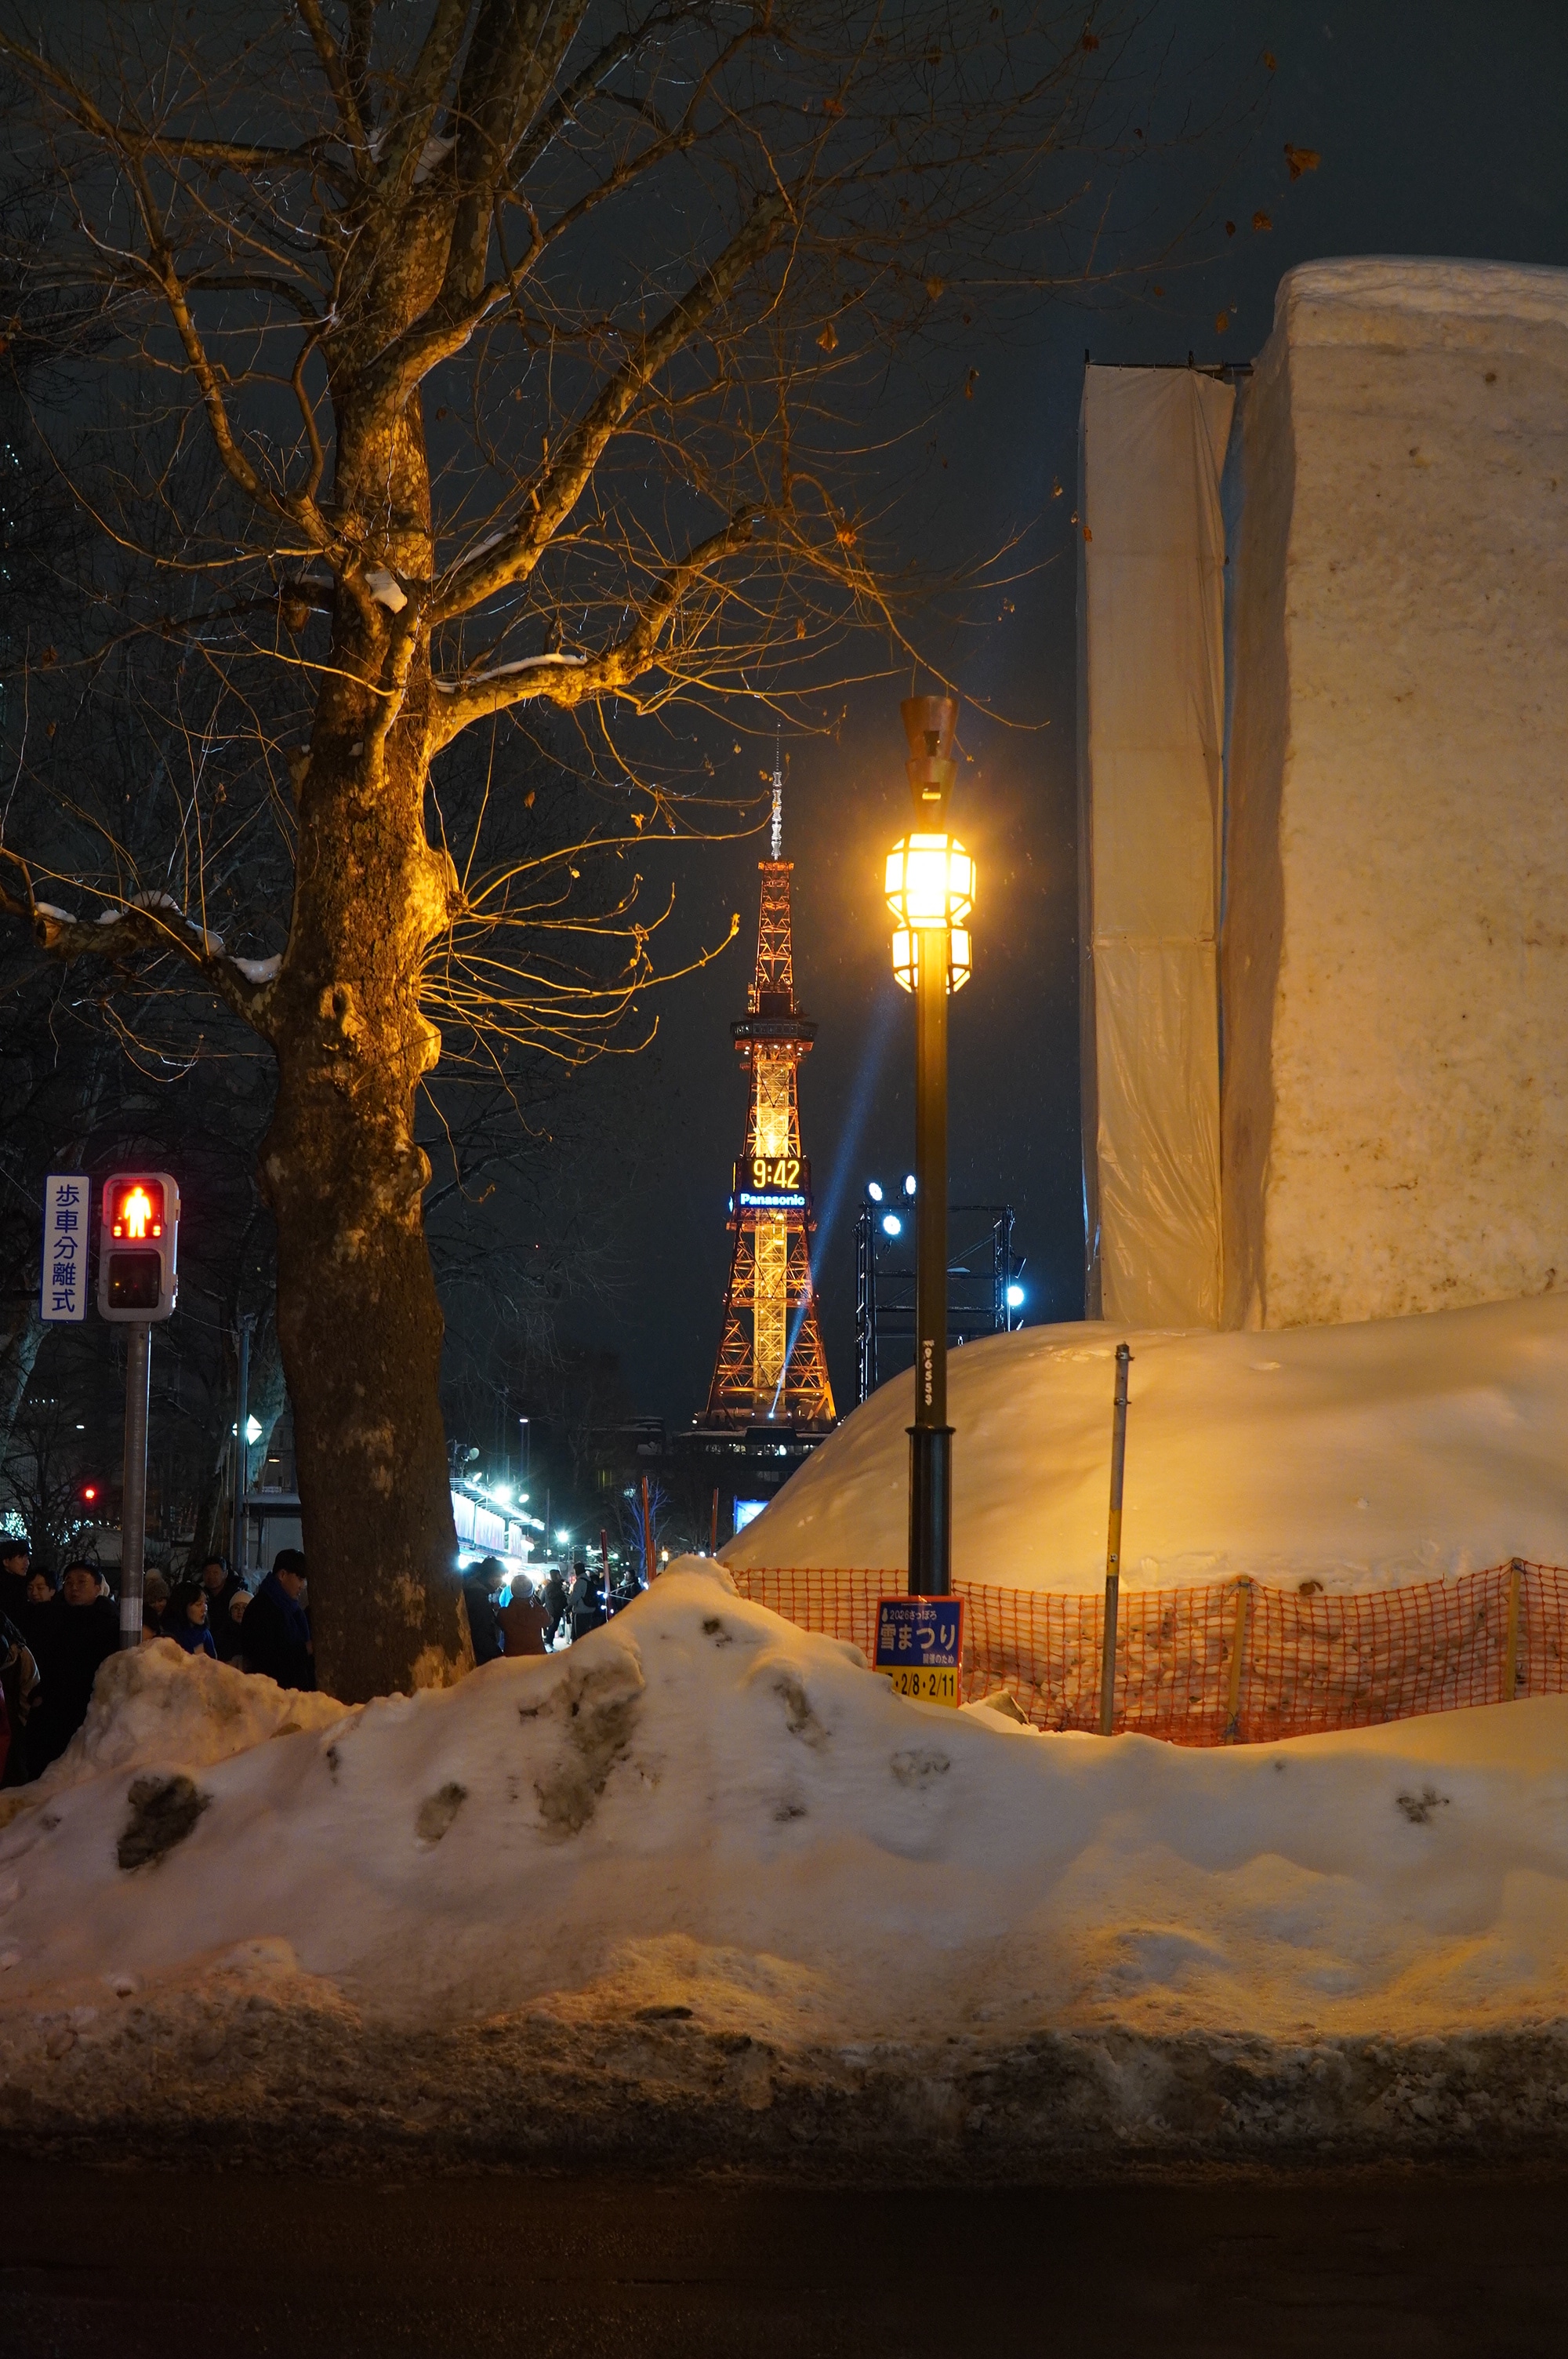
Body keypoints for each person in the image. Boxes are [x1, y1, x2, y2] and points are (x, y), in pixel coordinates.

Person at [28, 1559, 120, 1772]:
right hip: (53, 1709)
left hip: (87, 1710)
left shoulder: (108, 1624)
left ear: (98, 1588)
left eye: (82, 1582)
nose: (74, 1588)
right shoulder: (56, 1618)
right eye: (69, 1582)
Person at [241, 1548, 314, 1691]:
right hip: (273, 1697)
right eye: (299, 1579)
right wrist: (305, 1650)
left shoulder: (294, 1610)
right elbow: (265, 1659)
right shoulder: (261, 1609)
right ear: (282, 1575)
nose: (302, 1586)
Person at [196, 1555, 248, 1663]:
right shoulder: (200, 1597)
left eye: (215, 1572)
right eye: (207, 1573)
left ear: (225, 1574)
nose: (211, 1577)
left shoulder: (236, 1596)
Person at [462, 1557, 509, 1667]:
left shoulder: (476, 1593)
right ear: (493, 1578)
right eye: (500, 1577)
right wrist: (498, 1655)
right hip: (481, 1659)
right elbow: (480, 1635)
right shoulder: (477, 1598)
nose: (500, 1583)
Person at [496, 1576, 550, 1659]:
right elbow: (549, 1620)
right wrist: (536, 1604)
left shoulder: (504, 1614)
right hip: (537, 1657)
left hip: (513, 1657)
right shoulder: (537, 1614)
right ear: (531, 1592)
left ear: (512, 1591)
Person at [166, 1580, 218, 1659]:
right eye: (198, 1604)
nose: (204, 1609)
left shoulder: (205, 1634)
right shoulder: (169, 1639)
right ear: (182, 1607)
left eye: (205, 1603)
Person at [0, 1534, 31, 1627]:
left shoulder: (29, 1585)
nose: (27, 1563)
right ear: (6, 1562)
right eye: (21, 1558)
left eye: (27, 1558)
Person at [140, 1570, 171, 1642]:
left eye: (160, 1600)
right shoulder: (145, 1619)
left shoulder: (171, 1620)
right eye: (152, 1602)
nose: (157, 1605)